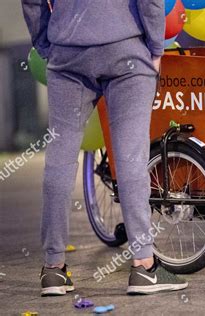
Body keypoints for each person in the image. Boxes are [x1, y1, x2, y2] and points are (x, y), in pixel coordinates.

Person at [22, 0, 188, 296]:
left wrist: (47, 42)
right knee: (131, 159)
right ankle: (143, 265)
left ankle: (53, 268)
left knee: (59, 159)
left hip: (67, 52)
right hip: (126, 50)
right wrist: (155, 47)